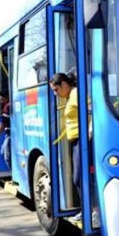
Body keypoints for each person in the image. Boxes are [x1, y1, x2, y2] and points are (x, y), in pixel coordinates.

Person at [49, 72, 81, 219]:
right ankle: (89, 211)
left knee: (78, 178)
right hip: (75, 141)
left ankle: (93, 212)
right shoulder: (69, 96)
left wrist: (89, 130)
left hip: (82, 141)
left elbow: (90, 109)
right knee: (78, 177)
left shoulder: (75, 93)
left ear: (64, 84)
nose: (56, 94)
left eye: (56, 90)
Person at [0, 92, 11, 167]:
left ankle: (12, 173)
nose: (1, 101)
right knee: (2, 151)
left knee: (7, 157)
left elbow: (2, 124)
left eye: (2, 99)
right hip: (8, 134)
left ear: (7, 97)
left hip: (10, 135)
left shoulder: (7, 106)